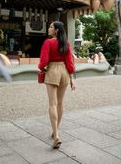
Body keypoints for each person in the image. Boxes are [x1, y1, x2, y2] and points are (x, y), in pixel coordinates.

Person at [38, 21, 75, 149]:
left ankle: (57, 136)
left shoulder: (48, 42)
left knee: (52, 104)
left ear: (56, 30)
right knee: (60, 103)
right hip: (64, 71)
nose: (48, 29)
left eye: (51, 27)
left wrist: (41, 67)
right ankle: (55, 131)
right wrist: (71, 78)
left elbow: (43, 61)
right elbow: (69, 61)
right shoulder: (66, 43)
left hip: (53, 71)